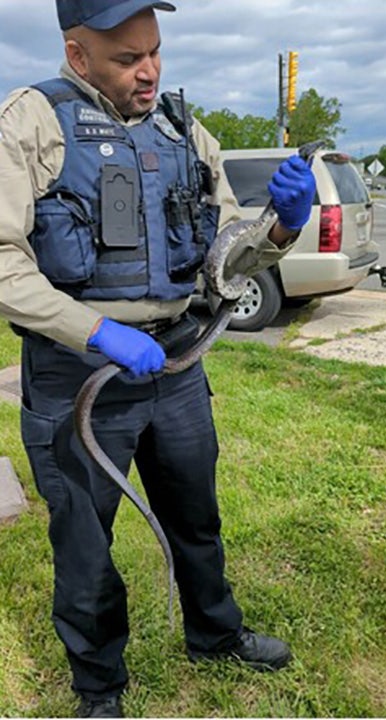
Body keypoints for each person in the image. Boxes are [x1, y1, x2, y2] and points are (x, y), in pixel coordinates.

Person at [0, 1, 316, 716]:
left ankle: (214, 633)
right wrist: (95, 331)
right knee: (85, 542)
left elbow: (225, 257)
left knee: (196, 516)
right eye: (126, 58)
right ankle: (99, 686)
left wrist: (280, 226)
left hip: (175, 368)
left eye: (155, 51)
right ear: (78, 56)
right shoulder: (28, 123)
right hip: (78, 375)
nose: (148, 72)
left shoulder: (182, 129)